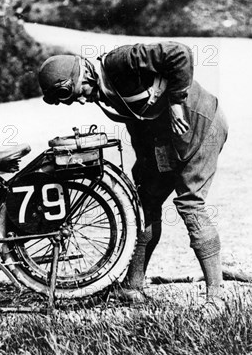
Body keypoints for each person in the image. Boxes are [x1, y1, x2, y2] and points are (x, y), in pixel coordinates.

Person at [37, 43, 229, 312]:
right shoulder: (103, 90)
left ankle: (216, 298)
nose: (80, 101)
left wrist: (175, 102)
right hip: (167, 138)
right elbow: (138, 119)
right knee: (145, 203)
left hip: (200, 126)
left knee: (190, 205)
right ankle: (131, 287)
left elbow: (180, 53)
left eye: (75, 93)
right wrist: (144, 165)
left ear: (81, 74)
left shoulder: (119, 62)